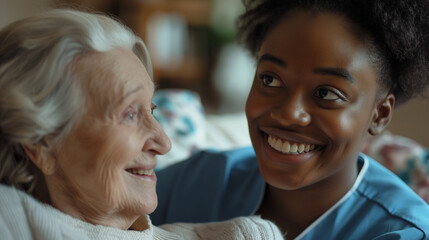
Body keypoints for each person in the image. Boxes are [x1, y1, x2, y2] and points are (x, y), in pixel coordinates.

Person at [150, 0, 429, 239]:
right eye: (270, 79)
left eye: (326, 93)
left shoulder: (402, 232)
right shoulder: (199, 182)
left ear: (379, 114)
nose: (288, 113)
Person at [0, 9, 284, 239]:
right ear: (42, 143)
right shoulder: (10, 218)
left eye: (152, 110)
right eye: (129, 114)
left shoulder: (244, 235)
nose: (164, 143)